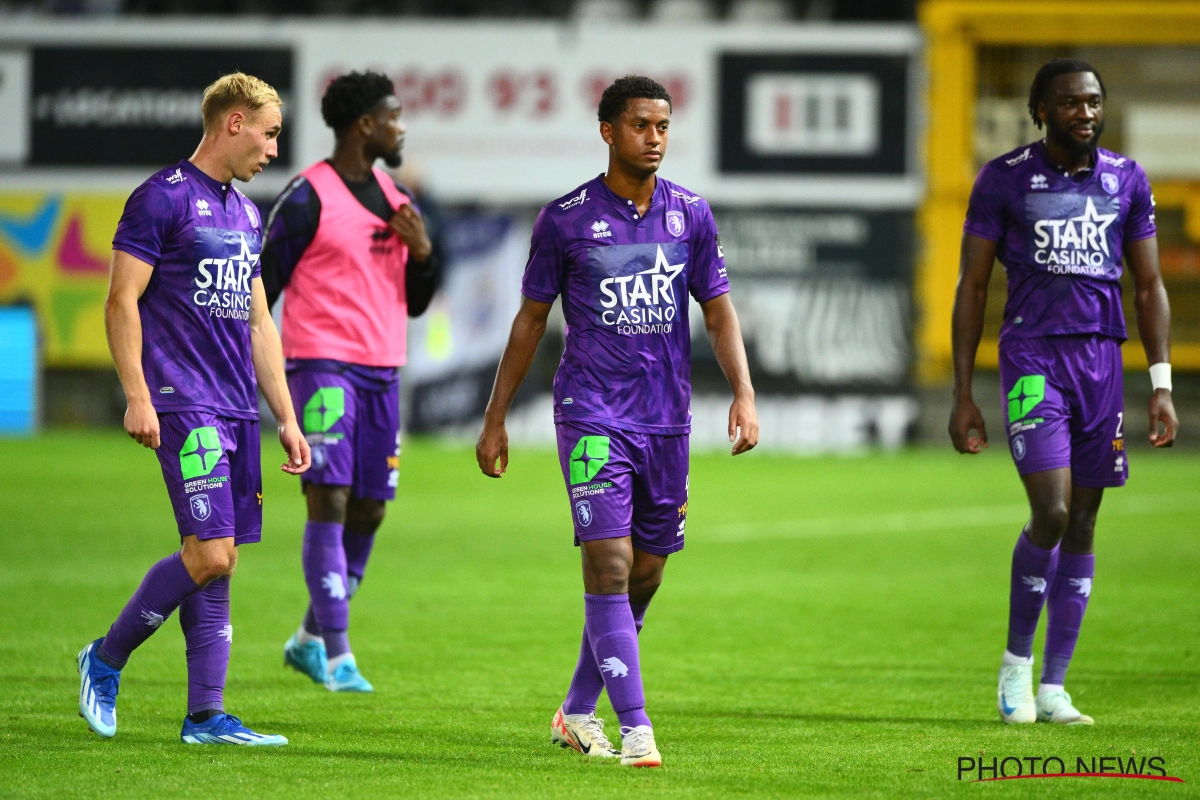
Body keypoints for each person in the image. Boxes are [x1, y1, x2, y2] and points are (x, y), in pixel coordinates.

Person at [476, 76, 759, 767]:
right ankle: (636, 728)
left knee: (647, 573)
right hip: (592, 414)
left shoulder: (691, 214)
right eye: (640, 125)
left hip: (666, 421)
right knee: (608, 563)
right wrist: (496, 418)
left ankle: (576, 711)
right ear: (608, 131)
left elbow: (717, 310)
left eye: (663, 126)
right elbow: (530, 321)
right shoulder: (566, 219)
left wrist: (744, 394)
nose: (654, 138)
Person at [79, 72, 310, 746]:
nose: (273, 148)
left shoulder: (245, 213)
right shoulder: (161, 199)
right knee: (210, 554)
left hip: (237, 408)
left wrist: (287, 417)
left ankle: (206, 716)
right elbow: (122, 300)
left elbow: (259, 324)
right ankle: (106, 656)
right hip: (185, 403)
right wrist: (137, 394)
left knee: (219, 556)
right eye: (268, 133)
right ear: (233, 122)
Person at [949, 58, 1178, 726]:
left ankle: (1054, 686)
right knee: (1049, 510)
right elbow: (972, 285)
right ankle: (1016, 667)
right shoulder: (1004, 180)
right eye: (1072, 103)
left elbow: (1149, 285)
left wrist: (1159, 383)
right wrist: (964, 392)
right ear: (1040, 110)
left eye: (1094, 102)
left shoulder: (1126, 180)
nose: (1086, 113)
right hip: (1032, 363)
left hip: (1103, 364)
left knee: (1083, 518)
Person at [260, 71, 440, 693]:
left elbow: (416, 303)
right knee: (329, 497)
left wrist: (423, 254)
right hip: (321, 367)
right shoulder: (307, 195)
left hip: (382, 372)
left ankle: (309, 638)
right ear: (365, 125)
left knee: (369, 508)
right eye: (394, 116)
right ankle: (338, 655)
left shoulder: (396, 200)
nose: (402, 127)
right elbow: (260, 288)